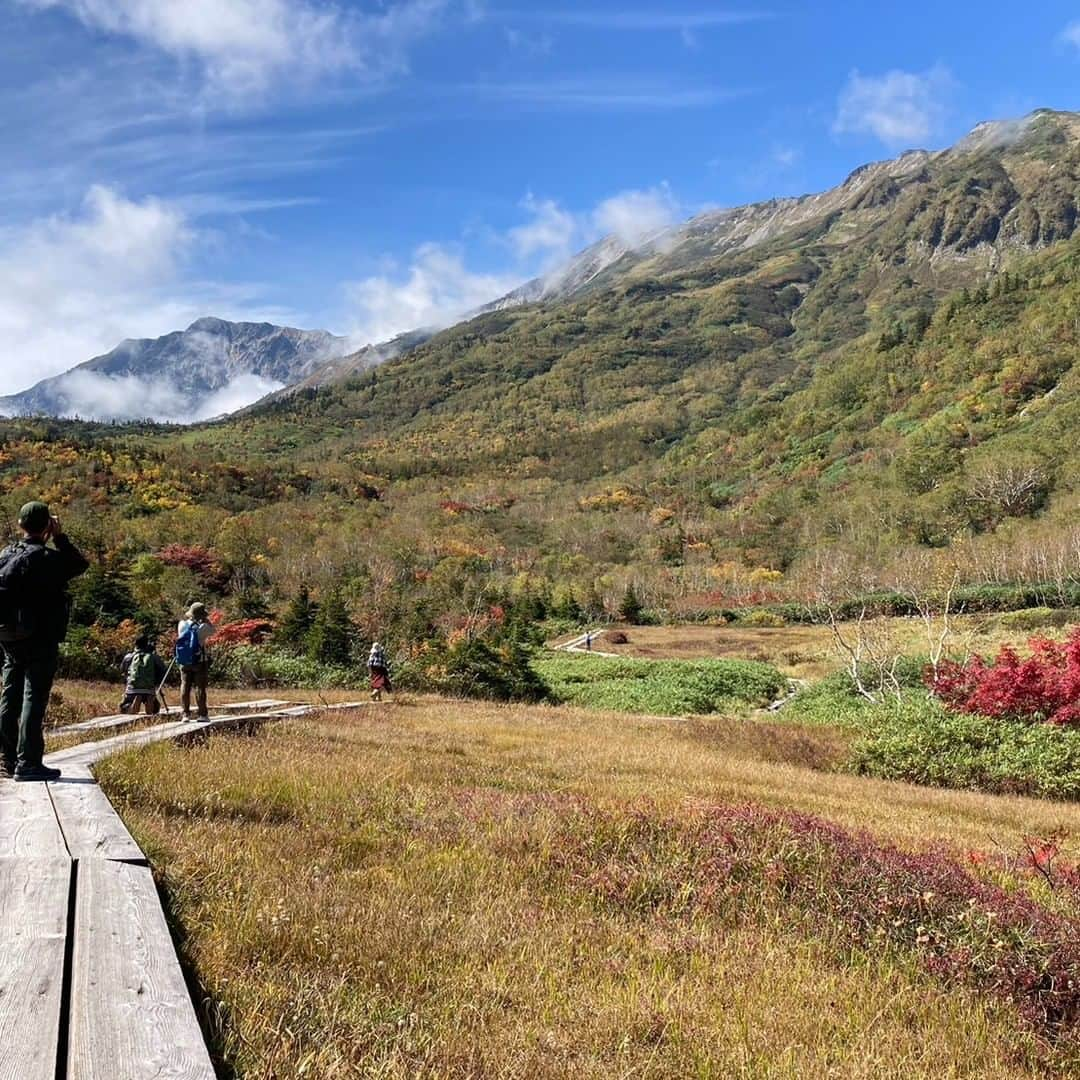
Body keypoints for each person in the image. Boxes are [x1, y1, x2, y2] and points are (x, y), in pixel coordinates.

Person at [0, 502, 88, 781]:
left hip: (7, 636)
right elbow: (79, 564)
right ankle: (29, 763)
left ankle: (7, 760)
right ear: (47, 526)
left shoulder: (6, 554)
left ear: (19, 524)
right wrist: (60, 537)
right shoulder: (49, 559)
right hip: (40, 638)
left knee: (9, 694)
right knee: (33, 697)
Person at [176, 602, 215, 721]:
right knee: (200, 687)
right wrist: (205, 619)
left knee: (184, 686)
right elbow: (213, 630)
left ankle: (185, 714)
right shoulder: (203, 628)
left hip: (184, 661)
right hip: (199, 661)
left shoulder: (182, 625)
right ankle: (202, 714)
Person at [119, 634, 167, 716]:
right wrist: (156, 682)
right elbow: (163, 670)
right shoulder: (153, 657)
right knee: (156, 709)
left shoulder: (129, 657)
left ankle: (132, 704)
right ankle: (149, 702)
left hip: (132, 688)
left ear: (135, 644)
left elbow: (122, 670)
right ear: (147, 644)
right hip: (149, 688)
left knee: (123, 708)